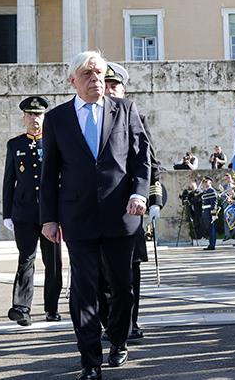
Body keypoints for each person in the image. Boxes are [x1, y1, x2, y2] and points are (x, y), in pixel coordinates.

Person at [39, 51, 151, 380]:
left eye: (99, 73)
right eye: (87, 74)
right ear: (72, 80)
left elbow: (141, 156)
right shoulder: (58, 119)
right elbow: (50, 172)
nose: (96, 79)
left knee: (122, 287)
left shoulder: (125, 110)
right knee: (83, 289)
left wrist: (139, 193)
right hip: (78, 216)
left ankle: (117, 339)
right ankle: (90, 360)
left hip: (121, 214)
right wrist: (49, 217)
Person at [103, 61, 164, 341]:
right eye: (106, 84)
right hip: (100, 207)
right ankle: (109, 323)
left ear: (124, 89)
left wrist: (153, 199)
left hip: (130, 206)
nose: (110, 89)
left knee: (129, 269)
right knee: (101, 272)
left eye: (115, 85)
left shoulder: (133, 116)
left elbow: (150, 161)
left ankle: (129, 323)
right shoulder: (91, 119)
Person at [2, 95, 62, 327]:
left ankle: (52, 307)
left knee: (53, 262)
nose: (34, 119)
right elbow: (9, 181)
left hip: (51, 214)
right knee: (25, 259)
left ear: (44, 117)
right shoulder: (14, 145)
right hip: (24, 213)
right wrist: (7, 213)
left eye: (38, 114)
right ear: (23, 117)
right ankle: (21, 308)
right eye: (30, 114)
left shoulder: (54, 142)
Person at [199, 176, 219, 250]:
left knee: (211, 229)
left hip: (209, 212)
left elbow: (214, 204)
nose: (205, 183)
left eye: (206, 182)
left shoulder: (212, 191)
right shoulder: (206, 191)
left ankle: (212, 245)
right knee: (209, 228)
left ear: (210, 182)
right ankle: (211, 244)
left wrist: (213, 214)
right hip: (205, 211)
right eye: (204, 182)